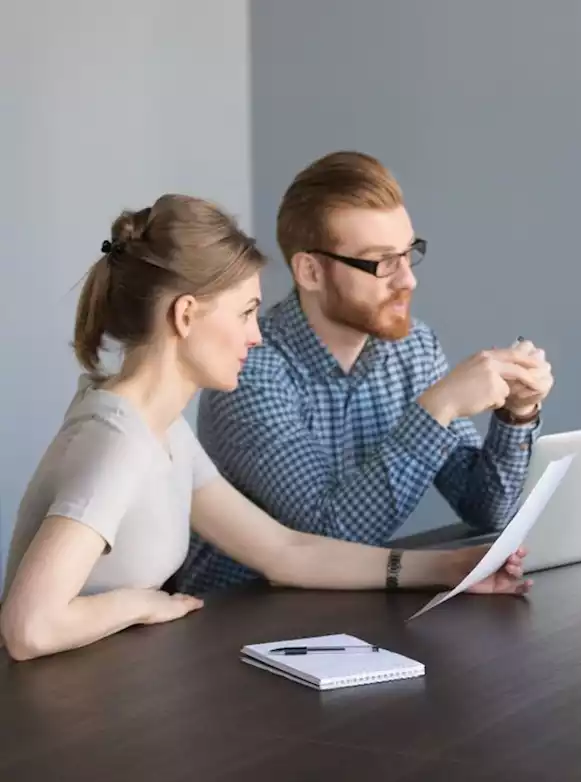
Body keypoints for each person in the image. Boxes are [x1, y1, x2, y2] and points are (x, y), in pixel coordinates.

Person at [0, 195, 530, 662]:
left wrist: (451, 569)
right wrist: (142, 603)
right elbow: (28, 629)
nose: (257, 336)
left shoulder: (163, 434)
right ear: (186, 316)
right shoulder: (116, 443)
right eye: (246, 313)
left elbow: (284, 551)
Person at [175, 151, 553, 594]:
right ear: (311, 271)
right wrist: (439, 407)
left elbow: (487, 511)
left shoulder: (413, 348)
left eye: (409, 254)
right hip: (230, 626)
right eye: (381, 263)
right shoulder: (250, 369)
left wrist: (517, 414)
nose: (407, 281)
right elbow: (329, 536)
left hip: (356, 614)